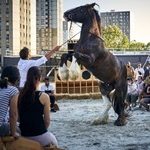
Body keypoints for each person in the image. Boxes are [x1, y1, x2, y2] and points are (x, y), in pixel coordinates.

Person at [17, 66, 58, 147]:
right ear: (39, 78)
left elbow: (18, 118)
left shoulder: (19, 95)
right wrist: (41, 131)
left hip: (24, 134)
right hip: (40, 134)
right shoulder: (44, 96)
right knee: (54, 142)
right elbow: (47, 121)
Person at [0, 66, 20, 137]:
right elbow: (13, 114)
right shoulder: (13, 90)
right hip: (1, 127)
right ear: (16, 79)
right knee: (21, 130)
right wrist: (13, 133)